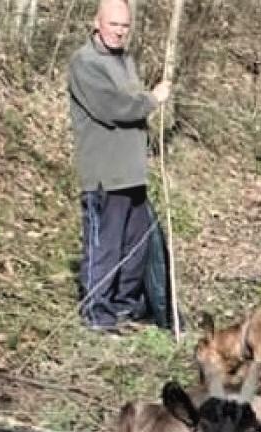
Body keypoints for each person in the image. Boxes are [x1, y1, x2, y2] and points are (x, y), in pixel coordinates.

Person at [67, 0, 171, 332]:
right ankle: (97, 313)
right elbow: (115, 108)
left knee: (134, 247)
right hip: (104, 176)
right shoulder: (85, 63)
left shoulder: (125, 61)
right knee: (105, 246)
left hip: (132, 175)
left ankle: (124, 308)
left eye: (125, 26)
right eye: (113, 25)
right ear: (96, 23)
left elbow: (131, 107)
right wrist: (152, 100)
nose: (119, 31)